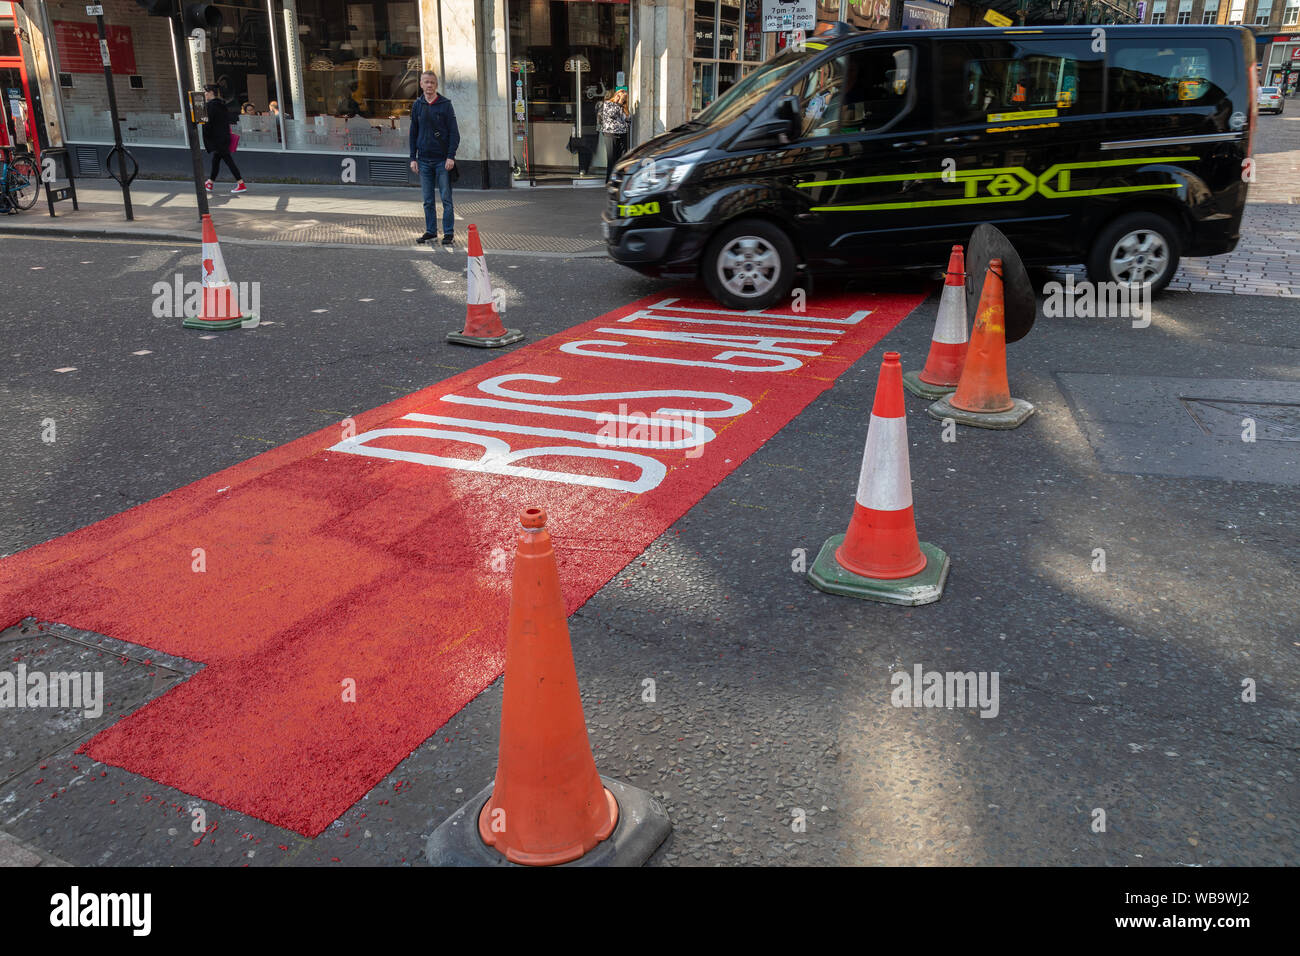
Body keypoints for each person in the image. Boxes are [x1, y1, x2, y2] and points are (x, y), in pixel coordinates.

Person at [408, 70, 459, 246]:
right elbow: (413, 133)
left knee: (446, 198)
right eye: (426, 82)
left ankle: (448, 233)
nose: (429, 85)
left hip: (441, 160)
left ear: (436, 85)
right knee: (427, 200)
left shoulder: (445, 104)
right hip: (423, 160)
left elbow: (454, 133)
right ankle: (430, 231)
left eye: (432, 82)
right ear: (421, 84)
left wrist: (450, 156)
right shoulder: (417, 105)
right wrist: (412, 158)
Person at [202, 84, 247, 194]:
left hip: (218, 139)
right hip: (223, 137)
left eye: (205, 92)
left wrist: (206, 133)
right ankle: (210, 182)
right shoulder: (221, 104)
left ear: (211, 92)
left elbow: (207, 122)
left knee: (228, 160)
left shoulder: (210, 106)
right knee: (216, 160)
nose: (204, 94)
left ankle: (241, 183)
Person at [598, 87, 629, 182]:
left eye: (623, 97)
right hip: (610, 133)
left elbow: (628, 119)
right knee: (612, 158)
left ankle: (619, 179)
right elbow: (612, 114)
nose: (621, 98)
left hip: (623, 133)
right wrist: (618, 103)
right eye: (619, 95)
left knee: (622, 158)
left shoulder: (624, 107)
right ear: (615, 95)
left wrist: (626, 125)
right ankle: (609, 180)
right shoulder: (607, 104)